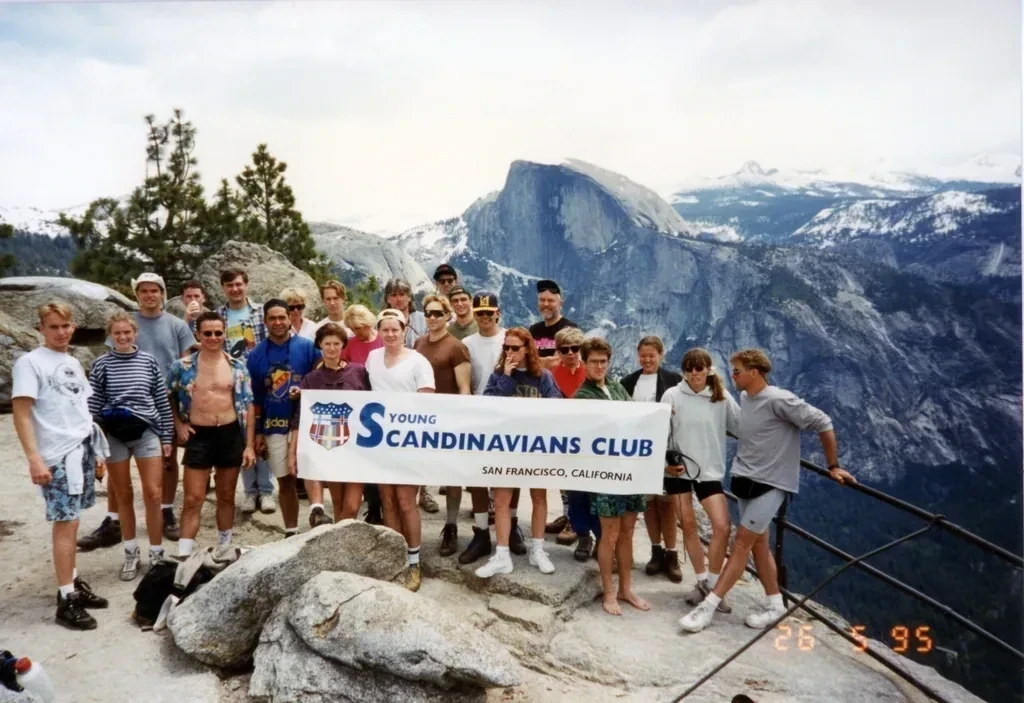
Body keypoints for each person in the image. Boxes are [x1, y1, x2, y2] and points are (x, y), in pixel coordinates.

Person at [679, 349, 855, 633]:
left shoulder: (779, 399)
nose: (732, 376)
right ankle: (776, 605)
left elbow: (823, 421)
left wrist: (833, 465)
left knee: (740, 544)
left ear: (755, 372)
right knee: (759, 544)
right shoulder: (745, 398)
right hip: (745, 479)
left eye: (737, 371)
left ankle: (708, 606)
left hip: (772, 483)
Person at [78, 272, 194, 552]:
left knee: (167, 461)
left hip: (163, 400)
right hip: (121, 410)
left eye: (154, 290)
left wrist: (180, 412)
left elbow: (187, 363)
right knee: (118, 470)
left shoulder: (177, 325)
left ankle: (166, 511)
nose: (149, 295)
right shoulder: (124, 323)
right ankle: (113, 520)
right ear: (137, 294)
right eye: (143, 291)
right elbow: (110, 364)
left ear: (162, 293)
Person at [13, 301, 110, 630]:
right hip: (56, 454)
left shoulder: (72, 361)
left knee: (75, 519)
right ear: (40, 328)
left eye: (65, 326)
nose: (60, 332)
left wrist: (95, 453)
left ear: (73, 327)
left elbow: (79, 406)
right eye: (53, 327)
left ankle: (72, 582)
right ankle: (66, 599)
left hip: (80, 448)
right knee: (65, 523)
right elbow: (22, 414)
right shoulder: (30, 363)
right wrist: (34, 458)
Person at [88, 312, 174, 581]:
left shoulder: (148, 362)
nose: (123, 337)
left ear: (135, 333)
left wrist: (167, 437)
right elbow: (93, 404)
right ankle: (130, 551)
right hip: (114, 433)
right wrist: (94, 441)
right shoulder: (101, 365)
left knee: (153, 493)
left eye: (127, 332)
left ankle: (156, 552)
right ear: (110, 335)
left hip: (145, 430)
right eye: (117, 333)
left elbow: (161, 400)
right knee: (122, 493)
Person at [167, 312, 256, 558]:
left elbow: (248, 405)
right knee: (193, 498)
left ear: (224, 333)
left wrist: (249, 445)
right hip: (199, 435)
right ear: (197, 334)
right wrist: (178, 425)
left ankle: (224, 548)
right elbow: (168, 395)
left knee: (226, 496)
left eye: (218, 332)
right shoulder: (182, 366)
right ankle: (184, 555)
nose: (213, 337)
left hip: (230, 434)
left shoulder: (237, 367)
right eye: (207, 333)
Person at [573, 337, 650, 616]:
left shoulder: (617, 388)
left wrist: (657, 415)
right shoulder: (582, 396)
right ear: (584, 363)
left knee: (627, 531)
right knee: (610, 534)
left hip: (628, 469)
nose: (599, 366)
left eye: (603, 361)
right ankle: (608, 591)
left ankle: (626, 588)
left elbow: (636, 418)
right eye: (594, 361)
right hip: (605, 473)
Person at [475, 329, 560, 578]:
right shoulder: (498, 374)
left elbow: (556, 405)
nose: (510, 352)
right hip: (506, 446)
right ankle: (502, 554)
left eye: (515, 348)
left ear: (527, 349)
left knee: (538, 497)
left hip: (535, 446)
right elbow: (488, 404)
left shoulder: (542, 376)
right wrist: (507, 377)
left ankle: (538, 549)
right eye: (507, 348)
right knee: (502, 499)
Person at [662, 348, 739, 611]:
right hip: (678, 470)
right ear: (683, 371)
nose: (694, 373)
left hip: (708, 470)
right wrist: (665, 464)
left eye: (699, 368)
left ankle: (713, 585)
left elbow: (741, 426)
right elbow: (660, 431)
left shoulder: (721, 396)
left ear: (708, 369)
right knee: (689, 526)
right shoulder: (672, 395)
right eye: (689, 369)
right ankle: (702, 581)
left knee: (722, 526)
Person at [365, 309, 435, 591]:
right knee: (388, 500)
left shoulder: (418, 362)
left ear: (405, 330)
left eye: (396, 329)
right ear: (379, 331)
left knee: (407, 501)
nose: (391, 334)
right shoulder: (372, 357)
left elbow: (426, 403)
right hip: (381, 441)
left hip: (408, 441)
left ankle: (414, 562)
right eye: (385, 329)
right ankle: (396, 558)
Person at [247, 300, 320, 537]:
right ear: (265, 321)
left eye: (282, 317)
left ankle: (318, 521)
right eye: (272, 318)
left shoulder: (308, 347)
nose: (278, 322)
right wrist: (258, 432)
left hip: (307, 423)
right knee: (285, 480)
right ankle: (291, 531)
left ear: (290, 319)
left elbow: (321, 379)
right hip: (273, 425)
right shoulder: (255, 355)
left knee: (311, 474)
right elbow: (255, 398)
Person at [289, 323, 371, 526]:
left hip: (356, 449)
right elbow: (301, 418)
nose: (332, 348)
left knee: (352, 506)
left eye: (336, 343)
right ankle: (341, 542)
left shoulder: (358, 372)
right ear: (320, 345)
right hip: (329, 447)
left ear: (343, 345)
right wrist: (292, 453)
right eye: (327, 344)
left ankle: (344, 537)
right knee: (338, 503)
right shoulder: (311, 379)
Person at [620, 336, 683, 582]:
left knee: (667, 504)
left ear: (660, 355)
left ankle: (672, 554)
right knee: (648, 503)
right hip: (641, 452)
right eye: (643, 355)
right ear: (638, 356)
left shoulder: (674, 380)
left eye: (651, 355)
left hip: (666, 449)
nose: (647, 360)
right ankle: (656, 551)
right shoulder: (628, 382)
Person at [414, 295, 472, 557]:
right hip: (422, 417)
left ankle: (451, 525)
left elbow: (464, 388)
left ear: (448, 316)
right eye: (429, 313)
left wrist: (461, 421)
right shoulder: (418, 343)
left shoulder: (457, 347)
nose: (433, 317)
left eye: (438, 313)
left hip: (448, 418)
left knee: (452, 475)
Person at [216, 268, 271, 513]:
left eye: (238, 284)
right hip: (232, 381)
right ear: (223, 288)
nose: (235, 289)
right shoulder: (219, 315)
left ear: (246, 285)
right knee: (241, 434)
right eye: (229, 285)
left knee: (262, 432)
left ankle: (266, 490)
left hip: (260, 379)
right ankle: (250, 491)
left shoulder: (260, 312)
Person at [458, 291, 505, 564]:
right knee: (477, 475)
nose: (485, 317)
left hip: (506, 413)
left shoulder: (509, 339)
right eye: (480, 313)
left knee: (506, 474)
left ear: (498, 313)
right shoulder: (466, 343)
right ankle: (481, 531)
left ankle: (510, 528)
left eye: (489, 312)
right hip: (477, 412)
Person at [545, 326, 592, 557]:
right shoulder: (552, 373)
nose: (571, 353)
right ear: (558, 351)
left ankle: (578, 525)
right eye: (565, 349)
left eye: (575, 348)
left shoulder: (589, 371)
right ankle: (568, 515)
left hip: (585, 435)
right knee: (563, 480)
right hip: (560, 433)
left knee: (580, 483)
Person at [528, 279, 577, 370]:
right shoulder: (533, 329)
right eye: (542, 300)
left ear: (560, 304)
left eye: (550, 300)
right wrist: (545, 362)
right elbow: (526, 360)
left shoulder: (569, 329)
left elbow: (561, 362)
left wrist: (536, 362)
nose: (546, 304)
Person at [383, 278, 426, 348]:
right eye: (394, 295)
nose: (399, 299)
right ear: (387, 299)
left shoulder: (424, 320)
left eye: (402, 294)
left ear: (409, 297)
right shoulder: (381, 323)